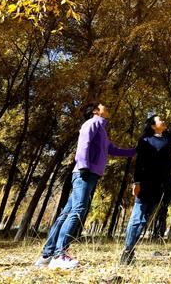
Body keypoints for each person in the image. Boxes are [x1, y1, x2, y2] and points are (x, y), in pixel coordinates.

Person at [35, 102, 136, 270]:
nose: (107, 107)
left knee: (67, 212)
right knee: (78, 210)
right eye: (103, 106)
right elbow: (84, 143)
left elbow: (112, 149)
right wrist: (83, 166)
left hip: (90, 173)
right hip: (85, 173)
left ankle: (46, 255)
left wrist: (135, 150)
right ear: (96, 111)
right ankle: (59, 254)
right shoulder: (92, 123)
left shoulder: (102, 129)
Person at [120, 96, 171, 265]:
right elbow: (139, 163)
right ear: (152, 125)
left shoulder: (166, 137)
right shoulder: (144, 140)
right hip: (145, 184)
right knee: (137, 219)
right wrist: (136, 183)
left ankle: (130, 252)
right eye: (160, 120)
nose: (164, 121)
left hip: (160, 185)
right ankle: (126, 252)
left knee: (144, 220)